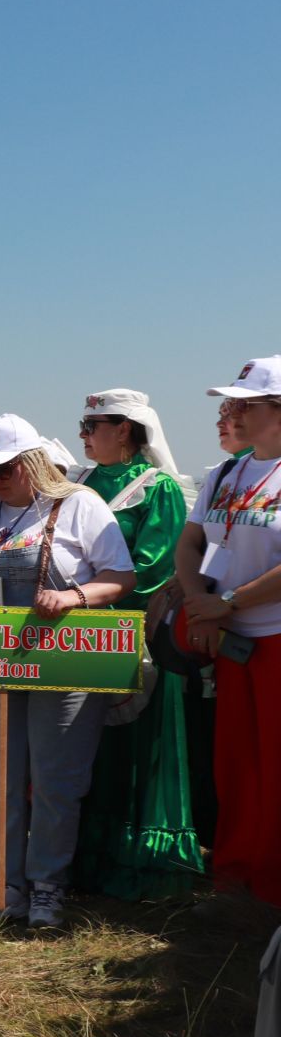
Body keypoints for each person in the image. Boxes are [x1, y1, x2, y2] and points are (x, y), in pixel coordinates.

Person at [0, 413, 136, 927]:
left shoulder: (80, 504)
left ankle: (49, 887)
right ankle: (4, 884)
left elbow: (121, 576)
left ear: (33, 463)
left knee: (56, 777)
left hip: (66, 657)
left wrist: (75, 596)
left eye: (4, 470)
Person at [69, 389, 204, 901]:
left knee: (134, 746)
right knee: (89, 747)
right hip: (79, 637)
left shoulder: (158, 487)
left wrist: (89, 597)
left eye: (90, 425)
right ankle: (90, 856)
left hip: (131, 636)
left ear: (122, 429)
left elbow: (150, 569)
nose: (83, 435)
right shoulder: (78, 484)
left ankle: (143, 862)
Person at [176, 356, 281, 910]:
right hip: (232, 639)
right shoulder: (225, 474)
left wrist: (228, 603)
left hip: (274, 635)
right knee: (236, 762)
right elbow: (191, 544)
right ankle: (235, 877)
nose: (233, 411)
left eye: (246, 402)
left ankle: (272, 884)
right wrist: (200, 606)